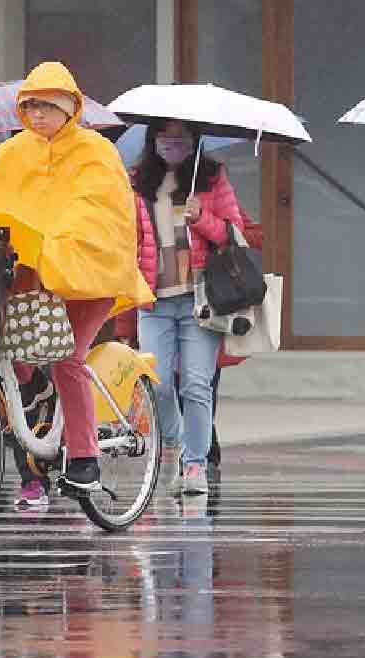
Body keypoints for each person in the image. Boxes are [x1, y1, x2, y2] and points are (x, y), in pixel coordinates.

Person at [0, 61, 154, 506]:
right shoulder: (13, 153)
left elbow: (99, 211)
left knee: (68, 358)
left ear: (70, 108)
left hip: (90, 276)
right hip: (34, 275)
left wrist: (60, 239)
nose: (38, 114)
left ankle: (84, 458)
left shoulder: (95, 152)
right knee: (8, 353)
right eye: (30, 106)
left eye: (47, 106)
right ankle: (39, 399)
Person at [129, 119, 244, 496]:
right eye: (164, 138)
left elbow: (235, 234)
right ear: (152, 140)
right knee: (158, 383)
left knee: (196, 384)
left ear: (194, 141)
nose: (172, 145)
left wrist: (203, 218)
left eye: (180, 139)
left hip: (200, 301)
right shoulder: (136, 181)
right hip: (153, 300)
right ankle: (175, 441)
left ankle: (194, 464)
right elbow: (125, 235)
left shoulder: (212, 179)